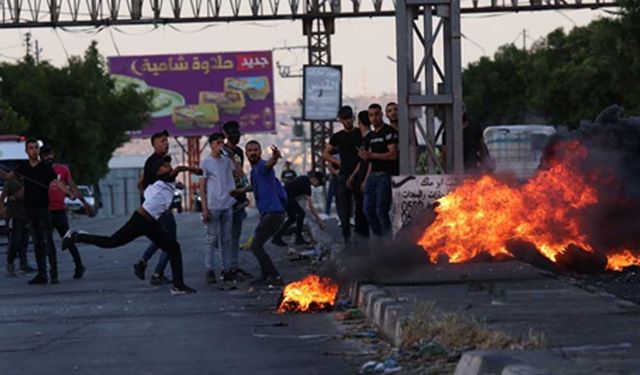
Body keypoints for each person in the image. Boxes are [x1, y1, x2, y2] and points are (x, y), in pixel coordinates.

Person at [62, 156, 198, 295]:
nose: (168, 167)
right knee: (111, 242)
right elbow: (177, 170)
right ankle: (76, 236)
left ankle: (178, 285)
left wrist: (177, 184)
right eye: (164, 166)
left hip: (152, 224)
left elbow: (168, 183)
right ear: (157, 172)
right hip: (140, 221)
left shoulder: (165, 184)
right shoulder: (160, 181)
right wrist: (192, 169)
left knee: (174, 248)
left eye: (168, 165)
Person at [134, 130, 200, 285]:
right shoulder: (155, 161)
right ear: (154, 144)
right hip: (161, 209)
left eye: (166, 141)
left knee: (162, 238)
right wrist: (192, 170)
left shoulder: (157, 161)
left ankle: (144, 263)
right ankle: (156, 272)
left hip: (159, 207)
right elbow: (147, 182)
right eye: (162, 141)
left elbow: (151, 181)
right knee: (170, 241)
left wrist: (175, 184)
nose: (166, 143)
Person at [0, 139, 68, 285]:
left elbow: (56, 182)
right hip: (29, 209)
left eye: (36, 148)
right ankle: (42, 274)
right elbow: (7, 176)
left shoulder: (45, 167)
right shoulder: (23, 167)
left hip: (43, 208)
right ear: (26, 151)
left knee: (48, 241)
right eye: (31, 148)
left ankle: (54, 274)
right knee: (37, 242)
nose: (34, 150)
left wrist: (67, 191)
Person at [231, 141, 286, 287]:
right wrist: (240, 191)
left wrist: (274, 158)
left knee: (255, 246)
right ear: (246, 153)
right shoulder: (255, 170)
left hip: (273, 213)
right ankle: (265, 274)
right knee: (257, 244)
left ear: (260, 152)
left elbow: (269, 165)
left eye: (255, 150)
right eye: (250, 150)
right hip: (268, 213)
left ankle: (274, 275)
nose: (253, 153)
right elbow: (254, 186)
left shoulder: (262, 166)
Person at [40, 145, 91, 280]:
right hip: (45, 210)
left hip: (59, 210)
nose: (48, 157)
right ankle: (52, 272)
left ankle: (79, 265)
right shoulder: (38, 170)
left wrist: (84, 202)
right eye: (45, 155)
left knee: (67, 240)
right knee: (47, 242)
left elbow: (72, 186)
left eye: (49, 154)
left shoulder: (62, 169)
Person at [323, 105, 369, 244]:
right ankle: (347, 240)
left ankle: (362, 240)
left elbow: (364, 157)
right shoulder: (337, 137)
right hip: (343, 176)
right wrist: (337, 163)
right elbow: (325, 153)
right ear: (340, 120)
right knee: (343, 211)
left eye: (349, 118)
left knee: (361, 209)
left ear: (353, 118)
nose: (348, 121)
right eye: (345, 119)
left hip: (359, 175)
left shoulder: (360, 134)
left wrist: (353, 174)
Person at [200, 132, 239, 284]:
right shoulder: (206, 163)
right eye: (217, 143)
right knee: (211, 238)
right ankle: (209, 269)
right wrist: (204, 209)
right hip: (213, 205)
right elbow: (202, 187)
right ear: (211, 145)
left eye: (222, 142)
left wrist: (232, 158)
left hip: (227, 204)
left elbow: (240, 174)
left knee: (226, 239)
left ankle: (226, 268)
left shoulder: (227, 161)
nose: (220, 145)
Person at [359, 103, 399, 237]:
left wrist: (372, 155)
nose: (374, 118)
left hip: (385, 175)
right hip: (373, 176)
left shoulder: (388, 132)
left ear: (382, 115)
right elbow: (370, 161)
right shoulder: (369, 137)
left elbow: (392, 154)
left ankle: (388, 240)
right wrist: (365, 180)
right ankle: (380, 237)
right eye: (371, 115)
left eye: (376, 114)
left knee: (381, 210)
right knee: (367, 210)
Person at [221, 121, 253, 281]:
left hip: (238, 199)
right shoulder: (220, 152)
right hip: (224, 199)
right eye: (232, 133)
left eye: (238, 132)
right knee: (224, 236)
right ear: (226, 135)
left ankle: (233, 266)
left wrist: (244, 194)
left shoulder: (239, 152)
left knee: (235, 235)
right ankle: (225, 267)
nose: (236, 136)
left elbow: (241, 176)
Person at [271, 172, 325, 247]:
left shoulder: (304, 178)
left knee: (293, 217)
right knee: (301, 214)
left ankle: (277, 237)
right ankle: (298, 238)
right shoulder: (307, 185)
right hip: (286, 198)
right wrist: (319, 220)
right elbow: (310, 206)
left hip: (284, 197)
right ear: (315, 179)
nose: (317, 186)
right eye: (318, 183)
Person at [0, 174, 34, 276]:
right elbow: (3, 197)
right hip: (14, 216)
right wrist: (3, 211)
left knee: (24, 241)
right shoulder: (10, 182)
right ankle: (10, 264)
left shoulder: (28, 181)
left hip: (25, 215)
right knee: (15, 241)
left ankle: (24, 264)